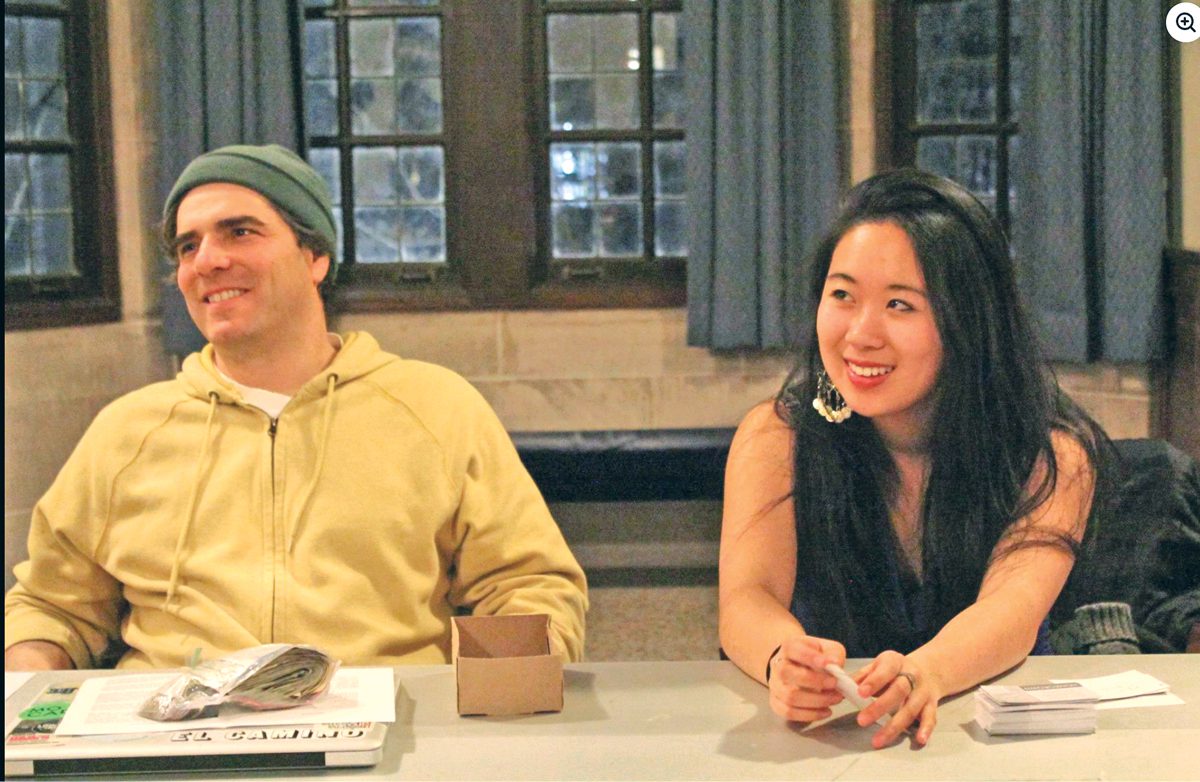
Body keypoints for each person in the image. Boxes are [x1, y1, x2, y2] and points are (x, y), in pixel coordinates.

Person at [5, 144, 587, 671]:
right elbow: (53, 606)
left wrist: (503, 688)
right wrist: (27, 675)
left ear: (315, 258)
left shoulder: (437, 408)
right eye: (189, 245)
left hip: (392, 729)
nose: (206, 261)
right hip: (178, 740)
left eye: (239, 233)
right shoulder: (127, 431)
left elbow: (525, 583)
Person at [718, 169, 1111, 749]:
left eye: (900, 305)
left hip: (992, 744)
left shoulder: (1051, 452)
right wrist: (783, 658)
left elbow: (1013, 610)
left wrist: (927, 671)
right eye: (842, 295)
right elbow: (747, 597)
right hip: (830, 746)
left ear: (968, 323)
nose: (859, 334)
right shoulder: (777, 436)